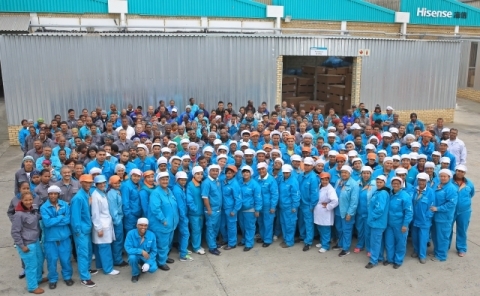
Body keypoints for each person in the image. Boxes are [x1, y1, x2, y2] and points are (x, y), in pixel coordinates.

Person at [40, 185, 74, 289]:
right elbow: (47, 223)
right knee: (51, 260)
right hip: (50, 239)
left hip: (64, 238)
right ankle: (53, 279)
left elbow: (68, 220)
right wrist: (60, 217)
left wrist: (54, 220)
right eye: (51, 194)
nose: (53, 195)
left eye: (55, 193)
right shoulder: (44, 207)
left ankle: (67, 277)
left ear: (58, 194)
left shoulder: (64, 204)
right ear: (48, 195)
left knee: (66, 259)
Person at [148, 172, 179, 270]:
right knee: (162, 244)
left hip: (171, 224)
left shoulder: (169, 190)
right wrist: (163, 220)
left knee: (168, 243)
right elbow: (155, 209)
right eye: (163, 179)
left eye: (166, 179)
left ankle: (164, 257)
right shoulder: (156, 193)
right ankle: (161, 262)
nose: (165, 181)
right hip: (161, 225)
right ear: (158, 181)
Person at [70, 174, 97, 288]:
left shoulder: (87, 194)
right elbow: (75, 217)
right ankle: (85, 278)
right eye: (86, 182)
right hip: (80, 231)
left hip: (86, 229)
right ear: (81, 183)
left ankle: (87, 269)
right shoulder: (78, 198)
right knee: (83, 253)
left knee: (89, 252)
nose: (88, 184)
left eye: (90, 182)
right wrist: (78, 231)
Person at [91, 175, 119, 275]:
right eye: (100, 183)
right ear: (96, 184)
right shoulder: (96, 196)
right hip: (102, 226)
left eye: (104, 183)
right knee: (104, 248)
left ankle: (100, 265)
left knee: (100, 247)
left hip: (105, 224)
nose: (103, 185)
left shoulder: (102, 193)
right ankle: (108, 269)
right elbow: (95, 214)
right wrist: (99, 228)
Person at [384, 177, 413, 269]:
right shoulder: (390, 194)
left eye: (397, 183)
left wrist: (405, 224)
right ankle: (390, 259)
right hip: (389, 224)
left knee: (400, 243)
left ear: (401, 184)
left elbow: (409, 212)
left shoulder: (405, 196)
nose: (395, 185)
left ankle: (398, 260)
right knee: (389, 242)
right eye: (394, 183)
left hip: (400, 224)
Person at [431, 169, 458, 262]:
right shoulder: (438, 185)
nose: (442, 178)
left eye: (444, 176)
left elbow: (451, 204)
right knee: (435, 235)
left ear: (449, 177)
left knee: (442, 236)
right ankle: (436, 251)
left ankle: (441, 255)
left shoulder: (451, 188)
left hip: (444, 217)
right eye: (441, 176)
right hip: (435, 216)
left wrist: (438, 208)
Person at [334, 166, 359, 257]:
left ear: (350, 173)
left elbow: (354, 201)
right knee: (339, 228)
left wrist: (350, 213)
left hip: (347, 211)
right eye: (342, 172)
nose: (343, 174)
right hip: (337, 210)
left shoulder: (354, 184)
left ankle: (346, 248)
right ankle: (340, 244)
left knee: (346, 230)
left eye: (346, 172)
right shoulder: (338, 181)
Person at [365, 176, 389, 269]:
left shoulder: (382, 193)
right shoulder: (378, 191)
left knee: (375, 241)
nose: (378, 184)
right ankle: (379, 257)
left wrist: (371, 218)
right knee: (378, 241)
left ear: (384, 183)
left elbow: (379, 209)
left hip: (377, 222)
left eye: (381, 182)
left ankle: (373, 260)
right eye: (377, 182)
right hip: (376, 221)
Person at [450, 165, 474, 257]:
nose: (460, 173)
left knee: (462, 230)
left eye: (462, 172)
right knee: (448, 229)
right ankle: (445, 247)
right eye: (458, 171)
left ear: (464, 173)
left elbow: (471, 194)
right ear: (455, 171)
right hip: (451, 210)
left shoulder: (469, 184)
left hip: (464, 211)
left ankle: (461, 248)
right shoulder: (450, 182)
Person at [411, 173, 435, 264]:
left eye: (423, 180)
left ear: (426, 181)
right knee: (415, 237)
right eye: (420, 180)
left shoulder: (430, 192)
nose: (421, 182)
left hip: (424, 220)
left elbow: (432, 206)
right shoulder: (414, 190)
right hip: (414, 219)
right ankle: (416, 251)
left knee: (423, 238)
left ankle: (422, 255)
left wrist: (427, 217)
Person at [124, 218, 158, 283]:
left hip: (146, 257)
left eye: (145, 225)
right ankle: (135, 274)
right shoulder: (130, 234)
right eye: (141, 225)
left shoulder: (152, 235)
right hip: (135, 255)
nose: (143, 227)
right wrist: (141, 251)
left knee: (153, 269)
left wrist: (148, 263)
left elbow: (154, 251)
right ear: (137, 225)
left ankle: (144, 266)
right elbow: (128, 248)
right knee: (132, 258)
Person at [171, 171, 194, 262]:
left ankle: (182, 249)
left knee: (182, 234)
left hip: (182, 215)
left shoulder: (181, 188)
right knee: (185, 234)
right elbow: (180, 206)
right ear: (177, 180)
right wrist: (183, 217)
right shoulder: (177, 190)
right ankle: (183, 255)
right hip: (181, 216)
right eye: (181, 180)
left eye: (185, 179)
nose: (184, 181)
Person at [238, 165, 262, 251]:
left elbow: (258, 198)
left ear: (250, 173)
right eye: (244, 172)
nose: (245, 173)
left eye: (247, 172)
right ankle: (244, 240)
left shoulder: (254, 184)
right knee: (242, 226)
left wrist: (257, 209)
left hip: (250, 210)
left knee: (249, 227)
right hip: (241, 209)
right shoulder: (239, 182)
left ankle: (249, 243)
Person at [298, 157, 319, 251]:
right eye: (305, 165)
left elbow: (314, 194)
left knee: (308, 223)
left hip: (308, 205)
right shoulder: (301, 175)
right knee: (301, 221)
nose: (306, 167)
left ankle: (308, 242)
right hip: (301, 203)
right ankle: (302, 236)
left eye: (308, 165)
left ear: (312, 166)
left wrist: (312, 205)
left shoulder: (313, 178)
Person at [201, 164, 223, 255]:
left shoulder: (217, 181)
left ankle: (213, 242)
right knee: (210, 228)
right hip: (211, 210)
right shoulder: (206, 182)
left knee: (215, 228)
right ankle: (212, 247)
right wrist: (209, 209)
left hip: (218, 209)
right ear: (209, 172)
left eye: (216, 170)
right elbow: (205, 197)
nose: (215, 172)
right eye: (213, 170)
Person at [314, 172, 338, 253]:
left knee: (325, 229)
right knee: (320, 228)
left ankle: (325, 246)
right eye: (323, 179)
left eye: (326, 180)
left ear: (329, 180)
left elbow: (335, 201)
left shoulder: (330, 189)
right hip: (319, 211)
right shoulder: (320, 186)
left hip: (325, 212)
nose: (324, 181)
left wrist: (328, 206)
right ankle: (322, 242)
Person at [106, 175, 127, 267]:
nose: (118, 184)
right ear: (111, 184)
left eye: (119, 182)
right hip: (116, 220)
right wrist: (117, 221)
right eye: (115, 183)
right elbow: (113, 209)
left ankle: (117, 256)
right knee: (117, 240)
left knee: (119, 240)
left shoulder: (117, 191)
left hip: (119, 218)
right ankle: (117, 260)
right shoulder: (111, 194)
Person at [256, 162, 278, 248]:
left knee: (268, 223)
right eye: (259, 169)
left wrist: (273, 206)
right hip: (259, 205)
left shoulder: (271, 180)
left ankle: (268, 239)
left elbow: (274, 194)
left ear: (266, 169)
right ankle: (262, 237)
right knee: (260, 222)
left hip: (268, 206)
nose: (261, 171)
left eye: (263, 169)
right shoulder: (256, 179)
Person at [278, 164, 300, 248]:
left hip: (290, 207)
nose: (286, 174)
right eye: (284, 173)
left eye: (287, 173)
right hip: (283, 206)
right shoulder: (282, 180)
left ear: (290, 172)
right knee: (283, 223)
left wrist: (295, 206)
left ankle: (289, 242)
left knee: (290, 224)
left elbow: (296, 195)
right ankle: (285, 239)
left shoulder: (293, 181)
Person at [220, 165, 242, 250]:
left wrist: (235, 210)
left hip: (230, 209)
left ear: (234, 174)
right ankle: (226, 239)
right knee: (222, 225)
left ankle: (232, 243)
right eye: (227, 173)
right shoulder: (224, 182)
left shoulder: (235, 184)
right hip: (223, 208)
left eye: (230, 173)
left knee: (231, 226)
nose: (228, 175)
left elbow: (238, 199)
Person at [186, 166, 206, 255]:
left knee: (199, 229)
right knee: (196, 230)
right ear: (193, 175)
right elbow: (189, 200)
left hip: (201, 212)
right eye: (197, 174)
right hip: (195, 213)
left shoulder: (202, 184)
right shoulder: (190, 185)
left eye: (201, 174)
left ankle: (197, 244)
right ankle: (196, 247)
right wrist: (195, 209)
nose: (200, 176)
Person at [122, 169, 143, 234]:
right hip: (131, 215)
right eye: (134, 176)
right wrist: (128, 215)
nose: (136, 178)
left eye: (138, 176)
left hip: (138, 213)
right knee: (130, 234)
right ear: (131, 176)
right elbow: (125, 202)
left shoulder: (139, 185)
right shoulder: (126, 186)